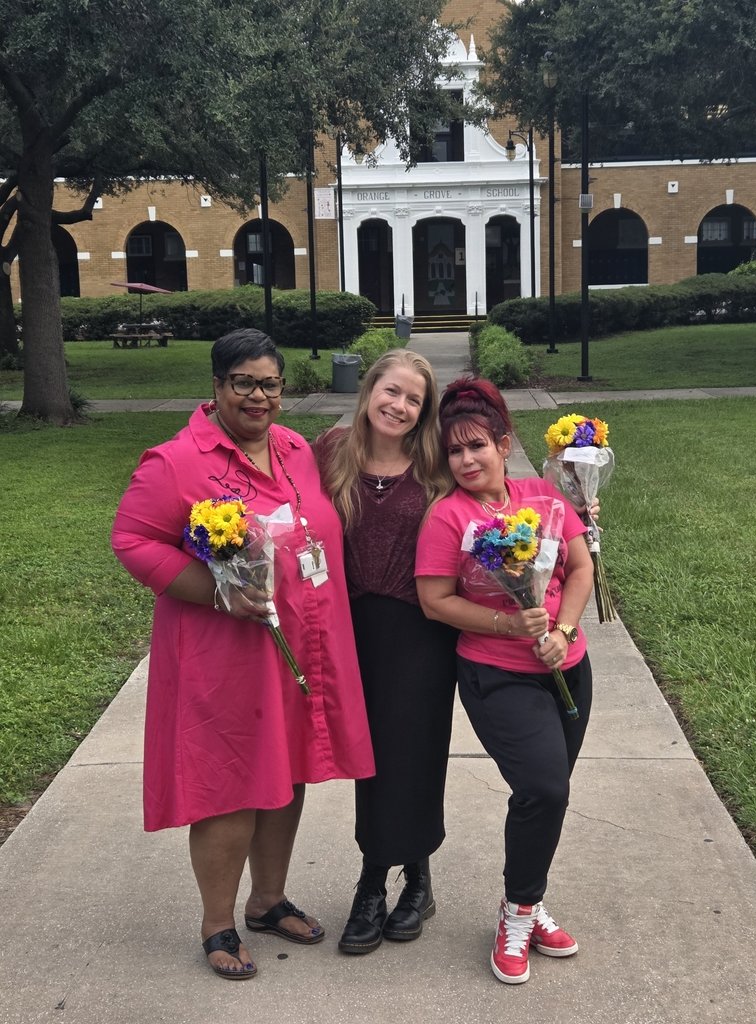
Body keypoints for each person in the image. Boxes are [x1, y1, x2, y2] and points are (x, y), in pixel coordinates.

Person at [111, 328, 375, 980]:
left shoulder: (292, 448)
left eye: (270, 385)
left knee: (285, 774)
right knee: (230, 786)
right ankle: (217, 923)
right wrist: (214, 592)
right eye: (245, 384)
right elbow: (133, 540)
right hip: (224, 653)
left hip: (299, 644)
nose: (259, 397)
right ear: (218, 386)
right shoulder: (176, 462)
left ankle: (268, 898)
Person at [414, 376, 594, 986]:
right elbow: (435, 600)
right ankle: (519, 915)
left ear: (502, 442)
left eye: (476, 447)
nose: (465, 461)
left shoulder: (544, 495)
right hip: (498, 676)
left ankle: (526, 898)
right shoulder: (447, 517)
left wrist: (563, 632)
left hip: (569, 668)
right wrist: (510, 623)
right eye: (454, 452)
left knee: (549, 796)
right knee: (544, 787)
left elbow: (579, 566)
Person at [315, 349, 457, 954]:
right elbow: (267, 485)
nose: (398, 406)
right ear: (369, 388)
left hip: (421, 628)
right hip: (348, 627)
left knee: (415, 752)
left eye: (414, 399)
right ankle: (403, 877)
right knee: (368, 755)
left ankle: (385, 881)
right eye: (390, 391)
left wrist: (570, 509)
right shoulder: (328, 451)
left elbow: (499, 497)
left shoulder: (434, 465)